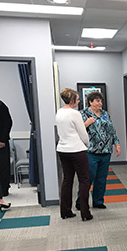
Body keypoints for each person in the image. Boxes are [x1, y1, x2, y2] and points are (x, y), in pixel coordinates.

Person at [77, 91, 121, 210]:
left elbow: (112, 130)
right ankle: (80, 201)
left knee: (101, 178)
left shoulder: (105, 114)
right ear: (90, 102)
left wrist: (117, 144)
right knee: (88, 178)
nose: (100, 103)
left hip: (106, 151)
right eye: (97, 101)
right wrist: (86, 124)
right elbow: (77, 131)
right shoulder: (82, 114)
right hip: (90, 151)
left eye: (101, 101)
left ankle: (98, 201)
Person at [55, 88, 92, 221]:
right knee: (84, 180)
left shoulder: (59, 112)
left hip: (62, 149)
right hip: (77, 150)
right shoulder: (75, 114)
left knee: (67, 180)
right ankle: (85, 213)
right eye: (77, 99)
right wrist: (87, 144)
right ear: (71, 100)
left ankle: (65, 211)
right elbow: (83, 133)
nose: (79, 101)